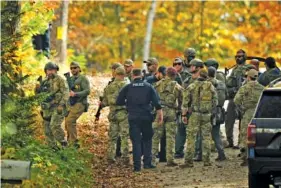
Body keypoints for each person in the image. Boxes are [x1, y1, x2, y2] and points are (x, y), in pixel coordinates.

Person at [116, 68, 163, 172]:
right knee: (147, 139)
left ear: (132, 76)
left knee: (136, 141)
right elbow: (156, 102)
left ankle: (137, 167)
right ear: (141, 75)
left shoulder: (127, 87)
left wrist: (128, 105)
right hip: (146, 117)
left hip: (133, 117)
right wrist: (160, 115)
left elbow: (118, 101)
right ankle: (147, 163)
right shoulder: (148, 86)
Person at [180, 69, 218, 168]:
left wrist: (184, 115)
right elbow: (215, 101)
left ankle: (188, 161)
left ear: (199, 75)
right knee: (206, 138)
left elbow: (185, 102)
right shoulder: (211, 87)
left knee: (191, 137)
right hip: (206, 115)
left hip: (195, 114)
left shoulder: (192, 86)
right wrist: (210, 109)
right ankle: (207, 161)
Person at [152, 67, 183, 167]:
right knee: (171, 136)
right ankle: (170, 159)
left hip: (159, 112)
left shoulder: (157, 85)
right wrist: (179, 109)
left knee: (156, 136)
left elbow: (152, 98)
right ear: (174, 75)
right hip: (171, 112)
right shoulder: (176, 86)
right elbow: (183, 98)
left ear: (165, 74)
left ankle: (152, 159)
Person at [234, 69, 264, 166]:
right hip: (260, 114)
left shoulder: (244, 87)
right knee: (259, 135)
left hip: (248, 113)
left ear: (248, 77)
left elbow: (236, 100)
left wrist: (242, 107)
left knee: (246, 135)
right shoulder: (262, 88)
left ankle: (246, 157)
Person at [36, 62, 69, 149]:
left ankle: (63, 143)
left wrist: (61, 105)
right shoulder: (44, 82)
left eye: (52, 70)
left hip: (58, 106)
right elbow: (40, 96)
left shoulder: (60, 79)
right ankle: (52, 148)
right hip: (47, 108)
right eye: (48, 70)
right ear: (46, 71)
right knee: (47, 129)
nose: (50, 72)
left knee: (54, 125)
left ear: (56, 70)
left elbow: (66, 93)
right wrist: (37, 89)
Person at [101, 66, 130, 164]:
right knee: (124, 136)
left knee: (112, 137)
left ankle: (110, 157)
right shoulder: (127, 86)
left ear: (115, 74)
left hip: (112, 114)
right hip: (123, 113)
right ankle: (125, 157)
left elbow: (104, 102)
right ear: (124, 75)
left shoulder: (109, 87)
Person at [225, 49, 248, 149]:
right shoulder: (233, 69)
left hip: (244, 99)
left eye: (240, 56)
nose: (238, 58)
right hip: (233, 98)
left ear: (244, 57)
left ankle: (240, 143)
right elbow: (228, 84)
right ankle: (229, 141)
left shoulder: (249, 68)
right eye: (236, 56)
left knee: (243, 123)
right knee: (228, 121)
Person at [64, 62, 90, 148]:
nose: (73, 70)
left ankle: (74, 143)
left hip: (80, 103)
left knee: (70, 121)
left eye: (75, 68)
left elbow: (87, 91)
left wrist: (76, 94)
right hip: (71, 103)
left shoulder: (83, 79)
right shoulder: (70, 79)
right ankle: (69, 141)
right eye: (71, 68)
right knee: (67, 121)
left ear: (79, 68)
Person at [183, 58, 205, 161]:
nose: (190, 68)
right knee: (192, 134)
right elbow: (185, 95)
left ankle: (200, 154)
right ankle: (195, 154)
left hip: (204, 110)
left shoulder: (206, 79)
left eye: (192, 66)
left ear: (198, 67)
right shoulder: (188, 80)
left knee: (203, 134)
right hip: (192, 110)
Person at [207, 66, 227, 161]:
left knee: (204, 133)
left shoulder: (207, 84)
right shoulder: (222, 84)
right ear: (215, 74)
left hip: (209, 110)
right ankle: (221, 153)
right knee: (216, 134)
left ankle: (203, 155)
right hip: (219, 110)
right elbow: (226, 95)